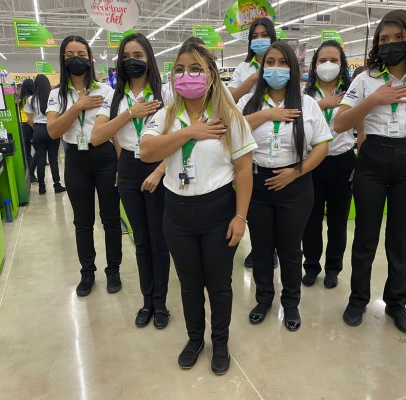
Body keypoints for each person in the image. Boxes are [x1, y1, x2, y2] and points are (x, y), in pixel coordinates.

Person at [141, 42, 256, 375]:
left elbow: (245, 170)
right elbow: (147, 151)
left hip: (217, 210)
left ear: (211, 75)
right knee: (189, 283)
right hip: (175, 212)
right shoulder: (166, 115)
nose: (186, 75)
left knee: (219, 284)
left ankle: (220, 342)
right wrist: (191, 131)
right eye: (179, 69)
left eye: (195, 69)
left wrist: (240, 216)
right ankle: (195, 339)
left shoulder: (230, 118)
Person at [335, 10, 406, 334]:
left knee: (400, 240)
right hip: (372, 158)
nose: (391, 44)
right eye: (384, 39)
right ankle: (358, 299)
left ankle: (396, 303)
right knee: (366, 237)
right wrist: (373, 100)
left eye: (398, 37)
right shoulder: (365, 79)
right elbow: (340, 123)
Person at [238, 41, 332, 331]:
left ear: (293, 68)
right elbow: (233, 133)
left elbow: (321, 146)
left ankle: (290, 303)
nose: (275, 68)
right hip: (257, 182)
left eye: (282, 63)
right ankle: (264, 298)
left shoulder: (307, 103)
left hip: (296, 184)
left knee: (291, 249)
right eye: (270, 62)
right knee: (262, 248)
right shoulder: (249, 103)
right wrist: (266, 114)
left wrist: (295, 172)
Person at [91, 33, 171, 329]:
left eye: (137, 56)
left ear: (149, 58)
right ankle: (147, 300)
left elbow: (177, 138)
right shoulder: (114, 97)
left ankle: (161, 303)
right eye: (126, 57)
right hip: (128, 167)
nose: (132, 61)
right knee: (141, 240)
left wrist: (160, 169)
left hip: (159, 166)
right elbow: (97, 136)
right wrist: (130, 113)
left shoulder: (167, 93)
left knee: (158, 240)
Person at [47, 35, 122, 297]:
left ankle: (113, 269)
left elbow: (109, 132)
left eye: (81, 53)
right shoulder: (57, 94)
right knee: (82, 221)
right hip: (75, 160)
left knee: (111, 219)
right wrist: (77, 106)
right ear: (63, 58)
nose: (75, 58)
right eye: (69, 54)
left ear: (90, 58)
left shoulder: (105, 91)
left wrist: (119, 164)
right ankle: (87, 272)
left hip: (104, 156)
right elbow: (54, 131)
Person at [301, 40, 355, 289]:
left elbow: (363, 124)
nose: (328, 65)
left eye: (334, 60)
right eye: (322, 60)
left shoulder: (353, 91)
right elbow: (298, 122)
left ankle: (333, 268)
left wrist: (360, 161)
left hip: (342, 162)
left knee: (338, 220)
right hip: (313, 162)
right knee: (310, 220)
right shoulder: (306, 95)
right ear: (314, 65)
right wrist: (323, 105)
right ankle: (311, 266)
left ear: (342, 64)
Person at [228, 17, 278, 269]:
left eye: (264, 34)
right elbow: (229, 100)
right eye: (255, 35)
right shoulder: (242, 68)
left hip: (274, 136)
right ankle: (259, 248)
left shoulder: (282, 65)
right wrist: (252, 80)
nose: (260, 39)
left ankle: (273, 249)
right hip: (246, 135)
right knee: (253, 200)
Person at [24, 74, 66, 195]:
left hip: (38, 130)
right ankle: (57, 185)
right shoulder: (53, 97)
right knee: (53, 159)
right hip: (52, 129)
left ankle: (42, 187)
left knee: (41, 159)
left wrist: (36, 128)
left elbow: (29, 119)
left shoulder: (30, 99)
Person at [18, 79, 37, 182]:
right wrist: (35, 127)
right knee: (38, 149)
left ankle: (30, 172)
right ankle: (32, 173)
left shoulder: (21, 99)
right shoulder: (30, 99)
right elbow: (31, 117)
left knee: (27, 149)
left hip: (22, 125)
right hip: (30, 124)